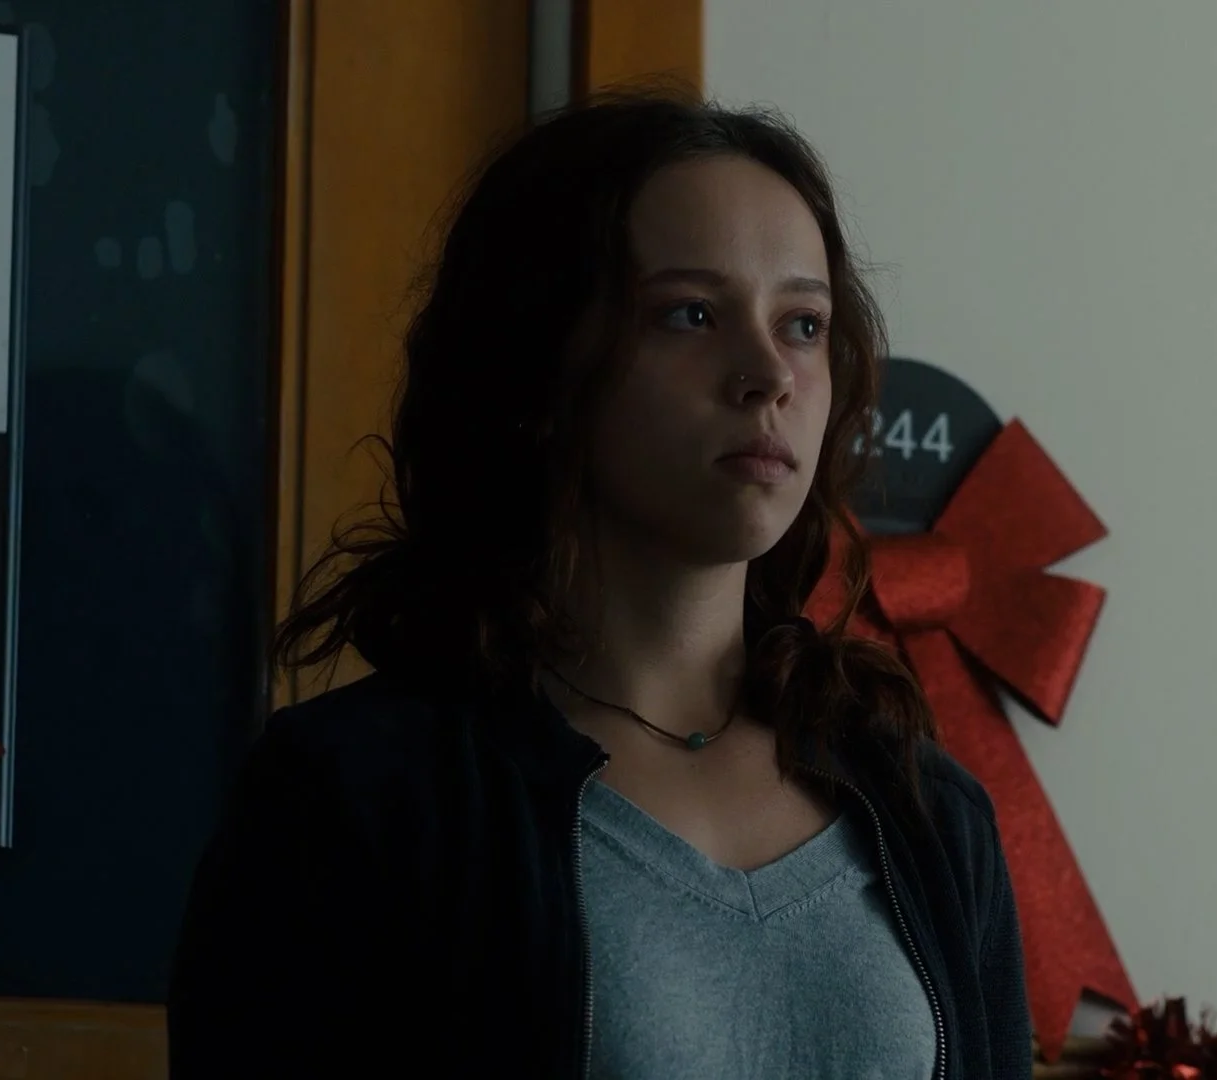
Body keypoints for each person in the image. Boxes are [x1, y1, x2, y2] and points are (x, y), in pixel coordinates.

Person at [166, 90, 1033, 1080]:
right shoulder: (361, 797)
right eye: (691, 314)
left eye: (802, 323)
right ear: (541, 367)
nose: (767, 375)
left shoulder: (929, 810)